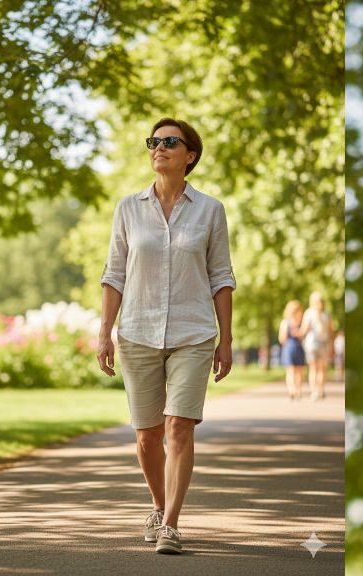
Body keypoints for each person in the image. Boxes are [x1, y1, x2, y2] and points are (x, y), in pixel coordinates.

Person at [96, 118, 236, 555]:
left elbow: (221, 277)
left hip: (193, 333)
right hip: (137, 331)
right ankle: (159, 506)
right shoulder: (128, 208)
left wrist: (226, 339)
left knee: (179, 427)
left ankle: (171, 524)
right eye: (153, 142)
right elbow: (114, 274)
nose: (159, 148)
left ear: (189, 155)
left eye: (169, 142)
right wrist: (105, 333)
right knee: (147, 436)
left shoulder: (211, 210)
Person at [300, 291, 334, 401]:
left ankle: (315, 391)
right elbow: (331, 332)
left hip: (313, 344)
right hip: (320, 344)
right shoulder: (326, 315)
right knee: (321, 369)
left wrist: (297, 334)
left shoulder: (309, 313)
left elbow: (304, 330)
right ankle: (320, 390)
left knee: (314, 369)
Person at [278, 300, 307, 399]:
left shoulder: (301, 323)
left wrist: (299, 334)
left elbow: (303, 336)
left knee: (299, 371)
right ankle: (292, 390)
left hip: (298, 348)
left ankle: (297, 390)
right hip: (289, 348)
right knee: (291, 371)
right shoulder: (285, 323)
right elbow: (282, 338)